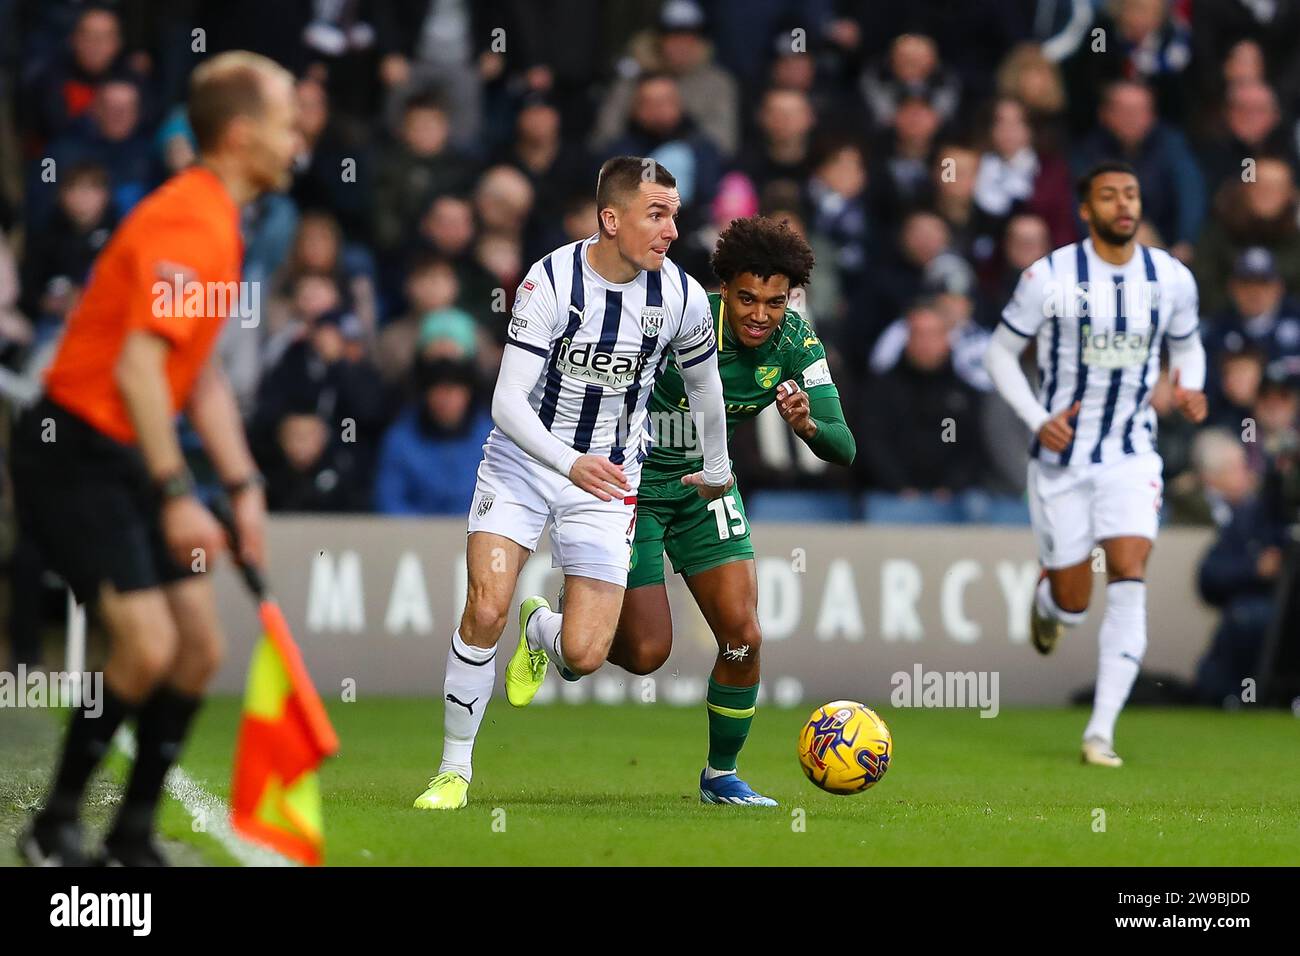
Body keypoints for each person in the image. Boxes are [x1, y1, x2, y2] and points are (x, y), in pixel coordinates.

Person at [8, 50, 298, 865]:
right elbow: (138, 369)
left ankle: (132, 835)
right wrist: (178, 492)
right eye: (285, 120)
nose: (298, 135)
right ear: (240, 136)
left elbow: (193, 374)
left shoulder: (225, 224)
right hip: (74, 447)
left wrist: (240, 487)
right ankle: (55, 826)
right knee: (146, 644)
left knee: (198, 647)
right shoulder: (189, 221)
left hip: (134, 445)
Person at [412, 157, 733, 811]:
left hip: (609, 479)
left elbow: (706, 388)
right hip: (525, 463)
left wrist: (720, 467)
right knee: (485, 606)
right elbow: (506, 402)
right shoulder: (552, 281)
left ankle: (543, 632)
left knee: (586, 654)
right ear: (610, 220)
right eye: (656, 214)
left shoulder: (681, 296)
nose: (672, 229)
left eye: (675, 214)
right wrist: (565, 460)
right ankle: (453, 770)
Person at [522, 216, 853, 805]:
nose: (760, 314)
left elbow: (844, 447)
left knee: (744, 634)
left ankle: (720, 775)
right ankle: (547, 629)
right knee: (647, 653)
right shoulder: (676, 317)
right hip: (636, 490)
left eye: (776, 302)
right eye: (747, 298)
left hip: (706, 493)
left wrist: (806, 425)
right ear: (723, 288)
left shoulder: (797, 342)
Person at [983, 160, 1208, 767]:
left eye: (1131, 194)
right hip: (1061, 459)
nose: (1123, 204)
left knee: (1130, 576)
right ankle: (1051, 603)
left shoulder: (1170, 279)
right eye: (1108, 196)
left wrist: (1189, 386)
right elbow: (999, 354)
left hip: (1133, 453)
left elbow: (1188, 345)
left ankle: (1099, 732)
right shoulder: (1049, 277)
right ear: (1086, 210)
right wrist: (1038, 420)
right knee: (1075, 603)